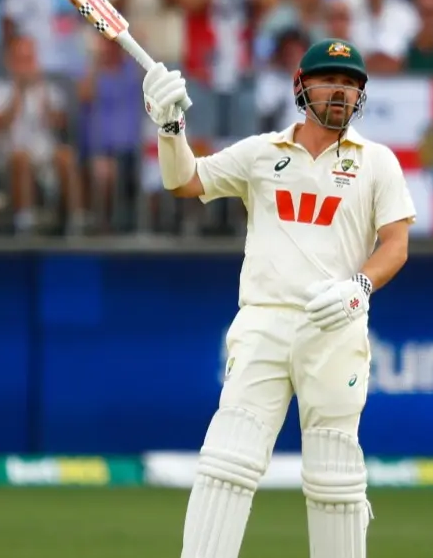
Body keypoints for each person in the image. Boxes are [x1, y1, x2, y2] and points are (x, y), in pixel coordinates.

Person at [141, 38, 415, 558]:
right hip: (263, 322)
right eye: (330, 79)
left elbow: (396, 243)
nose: (342, 91)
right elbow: (185, 181)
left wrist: (359, 288)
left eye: (352, 83)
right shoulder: (262, 153)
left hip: (335, 326)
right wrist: (169, 127)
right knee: (227, 462)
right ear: (300, 86)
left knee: (335, 475)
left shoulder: (377, 162)